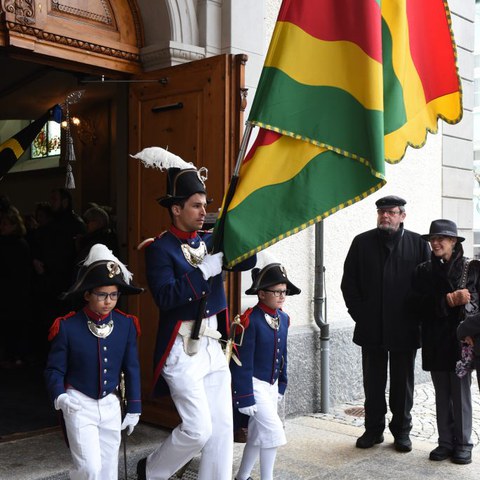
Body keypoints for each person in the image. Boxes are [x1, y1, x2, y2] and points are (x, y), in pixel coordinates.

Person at [132, 147, 256, 480]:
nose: (204, 212)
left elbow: (248, 260)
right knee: (198, 429)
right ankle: (153, 471)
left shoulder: (209, 239)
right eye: (196, 205)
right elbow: (166, 296)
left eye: (206, 205)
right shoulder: (160, 248)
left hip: (214, 346)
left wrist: (240, 228)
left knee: (221, 430)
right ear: (176, 209)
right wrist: (204, 273)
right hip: (182, 347)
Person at [44, 243, 144, 479]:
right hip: (79, 403)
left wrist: (135, 407)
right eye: (102, 294)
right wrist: (60, 396)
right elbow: (54, 369)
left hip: (111, 403)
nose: (108, 301)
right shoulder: (67, 326)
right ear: (87, 294)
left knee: (108, 470)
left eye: (114, 294)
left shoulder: (126, 324)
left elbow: (132, 368)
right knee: (89, 469)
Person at [341, 195, 430, 452]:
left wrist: (418, 318)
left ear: (402, 216)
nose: (385, 216)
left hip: (406, 326)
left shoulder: (417, 244)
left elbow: (426, 286)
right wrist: (361, 314)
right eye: (381, 212)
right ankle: (373, 429)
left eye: (391, 212)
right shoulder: (362, 242)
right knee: (373, 382)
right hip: (372, 327)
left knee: (403, 384)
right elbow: (349, 284)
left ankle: (402, 431)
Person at [412, 219, 474, 464]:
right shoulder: (423, 271)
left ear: (454, 242)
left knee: (460, 394)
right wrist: (447, 301)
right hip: (436, 340)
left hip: (462, 342)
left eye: (442, 239)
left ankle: (463, 443)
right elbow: (415, 305)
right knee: (441, 393)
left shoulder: (472, 268)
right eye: (432, 239)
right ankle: (445, 442)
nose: (436, 243)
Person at [231, 262, 300, 480]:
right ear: (261, 293)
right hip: (253, 385)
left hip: (270, 386)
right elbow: (241, 361)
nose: (282, 296)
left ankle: (242, 477)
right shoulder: (250, 320)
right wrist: (244, 396)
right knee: (273, 432)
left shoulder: (284, 318)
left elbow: (283, 355)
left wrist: (282, 383)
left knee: (257, 436)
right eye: (277, 291)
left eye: (284, 291)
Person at [0, 204, 32, 367]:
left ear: (13, 225)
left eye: (5, 224)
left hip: (15, 291)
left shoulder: (18, 244)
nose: (2, 226)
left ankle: (15, 355)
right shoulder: (12, 243)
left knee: (14, 324)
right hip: (10, 290)